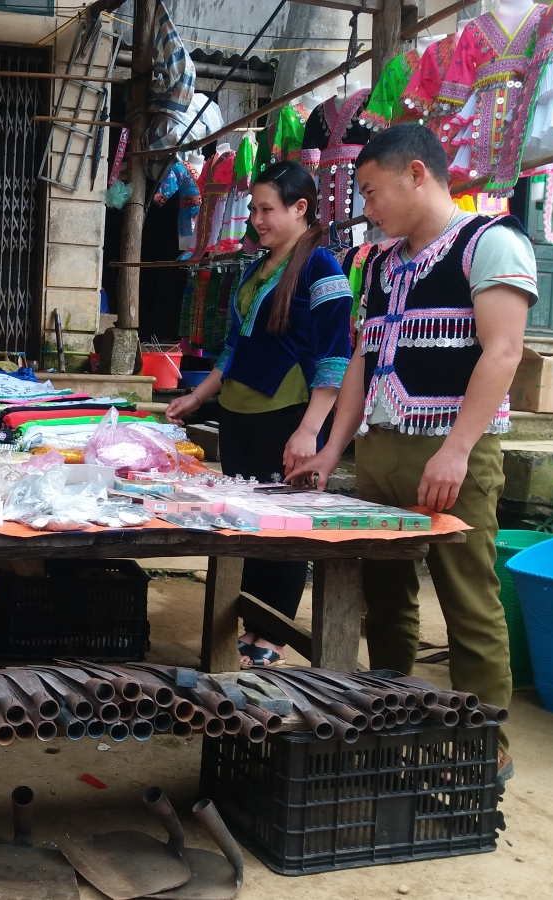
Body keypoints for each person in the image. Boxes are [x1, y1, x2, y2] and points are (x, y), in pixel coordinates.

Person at [292, 124, 535, 782]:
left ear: (416, 175)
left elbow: (504, 351)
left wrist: (457, 449)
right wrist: (332, 450)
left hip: (452, 451)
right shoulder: (378, 263)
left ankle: (484, 743)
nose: (367, 207)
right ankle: (390, 713)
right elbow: (363, 363)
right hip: (381, 450)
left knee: (467, 598)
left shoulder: (491, 242)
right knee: (385, 594)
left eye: (372, 191)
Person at [167, 160, 353, 665]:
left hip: (288, 416)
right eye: (253, 209)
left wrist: (309, 430)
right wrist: (199, 396)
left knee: (284, 526)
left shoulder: (322, 268)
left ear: (300, 208)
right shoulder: (257, 266)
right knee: (247, 523)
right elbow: (234, 346)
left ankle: (272, 637)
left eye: (266, 209)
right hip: (238, 413)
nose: (256, 219)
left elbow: (336, 358)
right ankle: (252, 627)